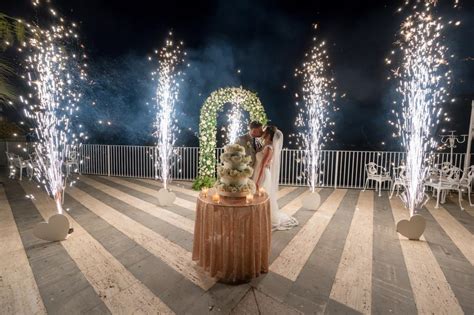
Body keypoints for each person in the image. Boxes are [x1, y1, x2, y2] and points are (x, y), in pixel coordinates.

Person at [253, 125, 298, 230]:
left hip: (262, 174)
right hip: (258, 172)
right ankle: (258, 215)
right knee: (258, 196)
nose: (262, 132)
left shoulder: (269, 148)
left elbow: (263, 165)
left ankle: (264, 216)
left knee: (262, 195)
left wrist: (257, 181)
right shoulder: (265, 145)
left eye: (264, 131)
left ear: (268, 134)